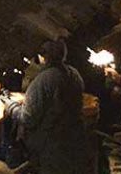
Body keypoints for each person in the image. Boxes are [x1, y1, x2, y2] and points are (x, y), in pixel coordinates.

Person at [6, 38, 88, 174]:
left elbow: (28, 119)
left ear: (44, 57)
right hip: (73, 142)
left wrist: (11, 106)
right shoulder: (74, 74)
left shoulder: (42, 81)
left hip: (49, 148)